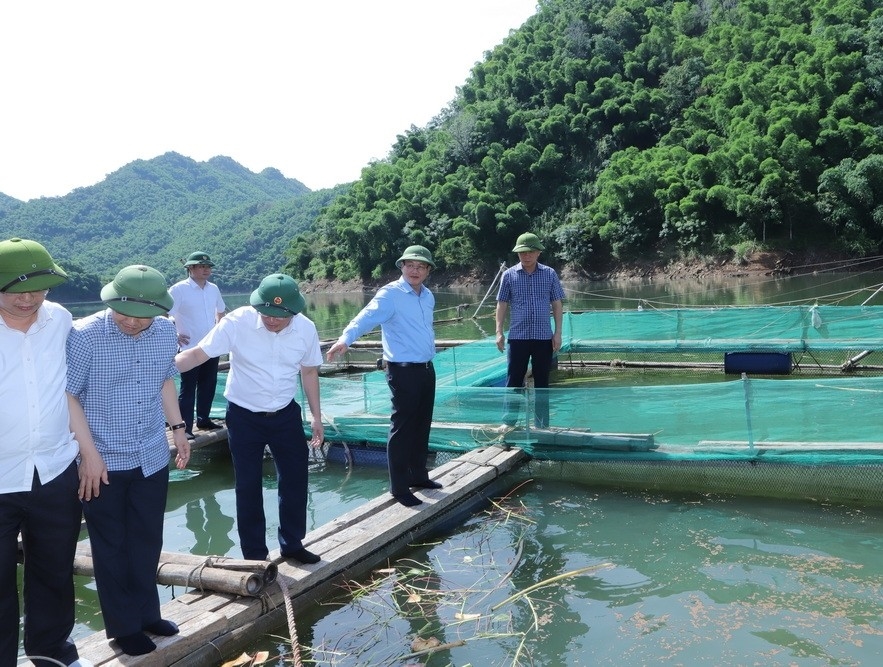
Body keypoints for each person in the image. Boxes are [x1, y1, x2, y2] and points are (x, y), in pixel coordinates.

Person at [66, 264, 191, 657]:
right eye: (126, 314)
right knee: (111, 545)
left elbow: (165, 379)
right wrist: (87, 454)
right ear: (111, 301)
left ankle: (147, 614)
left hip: (150, 453)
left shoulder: (164, 331)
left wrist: (178, 427)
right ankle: (123, 628)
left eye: (144, 316)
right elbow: (68, 396)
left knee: (147, 539)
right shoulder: (84, 335)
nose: (134, 323)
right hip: (100, 460)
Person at [0, 238, 105, 667]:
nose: (29, 299)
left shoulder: (60, 319)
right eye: (17, 289)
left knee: (54, 569)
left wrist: (90, 451)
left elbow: (68, 391)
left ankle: (52, 652)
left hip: (55, 468)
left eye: (40, 288)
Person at [175, 273, 324, 564]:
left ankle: (292, 543)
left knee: (295, 480)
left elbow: (309, 371)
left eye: (280, 316)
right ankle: (255, 556)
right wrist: (163, 369)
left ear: (294, 310)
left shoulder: (306, 329)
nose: (271, 320)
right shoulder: (237, 321)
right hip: (244, 416)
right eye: (266, 312)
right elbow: (197, 354)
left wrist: (316, 417)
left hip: (285, 414)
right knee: (247, 485)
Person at [327, 245, 440, 508]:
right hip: (402, 370)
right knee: (402, 428)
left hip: (426, 368)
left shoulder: (428, 296)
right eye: (410, 264)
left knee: (422, 424)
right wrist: (346, 340)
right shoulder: (390, 294)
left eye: (421, 266)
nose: (415, 270)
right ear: (402, 267)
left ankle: (419, 477)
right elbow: (364, 318)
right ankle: (399, 488)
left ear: (428, 271)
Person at [495, 232, 565, 428]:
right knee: (514, 380)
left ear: (538, 253)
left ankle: (542, 425)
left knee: (542, 382)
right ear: (518, 254)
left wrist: (558, 332)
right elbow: (501, 304)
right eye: (522, 252)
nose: (526, 256)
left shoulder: (549, 273)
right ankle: (508, 423)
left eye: (531, 252)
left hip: (544, 337)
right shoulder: (509, 275)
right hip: (518, 337)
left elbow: (557, 304)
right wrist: (499, 332)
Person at [168, 251, 227, 439]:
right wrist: (175, 334)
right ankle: (184, 427)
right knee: (188, 388)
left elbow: (221, 312)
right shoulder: (178, 290)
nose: (206, 270)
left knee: (208, 384)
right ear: (190, 268)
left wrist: (220, 331)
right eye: (202, 266)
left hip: (210, 347)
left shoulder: (213, 289)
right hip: (189, 348)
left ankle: (203, 419)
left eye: (208, 266)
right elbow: (166, 315)